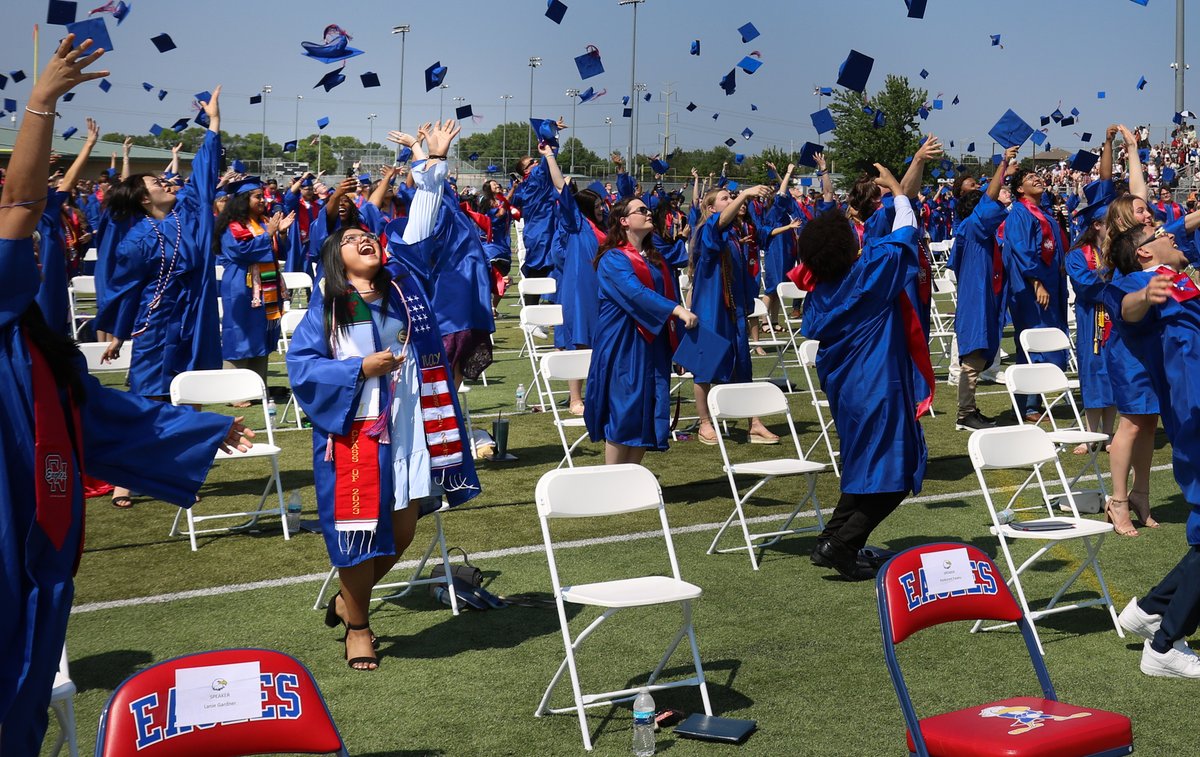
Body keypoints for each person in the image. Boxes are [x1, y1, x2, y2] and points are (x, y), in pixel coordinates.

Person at [0, 36, 254, 755]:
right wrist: (41, 103)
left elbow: (98, 412)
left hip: (32, 558)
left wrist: (197, 430)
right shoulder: (116, 237)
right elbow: (24, 199)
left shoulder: (36, 355)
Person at [287, 121, 481, 671]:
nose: (363, 239)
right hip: (359, 429)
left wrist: (433, 165)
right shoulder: (332, 307)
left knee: (404, 525)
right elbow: (302, 369)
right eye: (349, 240)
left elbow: (420, 226)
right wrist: (359, 369)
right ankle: (360, 626)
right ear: (334, 260)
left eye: (366, 236)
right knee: (356, 530)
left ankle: (348, 599)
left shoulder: (403, 283)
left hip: (411, 421)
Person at [799, 161, 926, 581]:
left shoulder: (819, 295)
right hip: (878, 385)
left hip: (846, 389)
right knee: (896, 472)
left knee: (862, 464)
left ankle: (829, 539)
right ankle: (843, 544)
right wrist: (900, 193)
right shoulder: (869, 273)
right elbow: (905, 233)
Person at [1105, 225, 1200, 677]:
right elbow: (1126, 308)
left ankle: (1149, 610)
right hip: (1194, 410)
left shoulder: (1177, 275)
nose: (1172, 233)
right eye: (1159, 232)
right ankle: (1164, 647)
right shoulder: (1137, 281)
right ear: (1144, 253)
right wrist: (1148, 294)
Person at [585, 197, 698, 464]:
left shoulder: (653, 258)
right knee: (624, 408)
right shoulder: (613, 258)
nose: (649, 213)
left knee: (649, 405)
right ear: (624, 221)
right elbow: (635, 293)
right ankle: (612, 479)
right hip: (624, 341)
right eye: (641, 210)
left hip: (653, 340)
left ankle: (631, 474)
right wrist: (677, 310)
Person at [689, 184, 778, 445]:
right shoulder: (708, 230)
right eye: (725, 198)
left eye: (732, 197)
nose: (732, 201)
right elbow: (719, 225)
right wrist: (745, 194)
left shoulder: (733, 235)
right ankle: (705, 424)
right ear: (709, 208)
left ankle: (754, 422)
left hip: (734, 310)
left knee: (743, 365)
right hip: (711, 310)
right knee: (705, 368)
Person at [950, 146, 1019, 430]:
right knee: (974, 357)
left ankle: (970, 410)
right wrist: (1001, 166)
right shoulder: (973, 229)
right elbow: (988, 201)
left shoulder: (977, 234)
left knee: (979, 355)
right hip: (975, 300)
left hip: (983, 299)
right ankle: (965, 414)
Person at [1003, 164, 1071, 420]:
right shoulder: (1019, 214)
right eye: (1030, 178)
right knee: (1032, 343)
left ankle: (1035, 400)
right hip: (1031, 289)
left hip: (1051, 285)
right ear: (1020, 189)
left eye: (1037, 175)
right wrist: (1036, 283)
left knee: (1047, 339)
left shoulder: (1043, 213)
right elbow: (1022, 251)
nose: (1037, 179)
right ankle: (1026, 405)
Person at [215, 178, 295, 391]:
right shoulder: (231, 226)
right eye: (258, 196)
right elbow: (241, 252)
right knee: (240, 334)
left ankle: (257, 387)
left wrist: (281, 233)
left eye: (263, 196)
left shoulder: (262, 222)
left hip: (267, 285)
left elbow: (277, 252)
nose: (263, 200)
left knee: (262, 334)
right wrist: (269, 234)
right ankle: (233, 392)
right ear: (243, 200)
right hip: (243, 287)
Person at [543, 142, 601, 414]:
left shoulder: (604, 228)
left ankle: (599, 391)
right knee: (578, 340)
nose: (603, 208)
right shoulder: (577, 223)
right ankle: (576, 398)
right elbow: (560, 189)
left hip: (602, 289)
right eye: (599, 205)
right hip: (578, 288)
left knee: (601, 339)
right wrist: (549, 156)